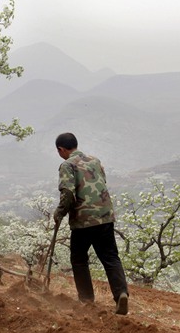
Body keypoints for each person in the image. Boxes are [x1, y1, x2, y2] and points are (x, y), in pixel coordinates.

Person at [52, 132, 129, 315]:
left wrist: (59, 212)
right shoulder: (95, 161)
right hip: (105, 216)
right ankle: (121, 295)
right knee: (110, 257)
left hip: (83, 220)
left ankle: (86, 300)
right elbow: (101, 182)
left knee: (79, 259)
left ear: (61, 150)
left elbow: (68, 193)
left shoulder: (67, 165)